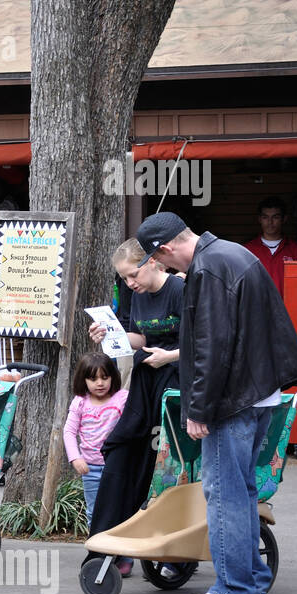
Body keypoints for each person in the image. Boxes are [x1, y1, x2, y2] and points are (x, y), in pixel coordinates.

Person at [137, 211, 297, 594]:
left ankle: (233, 592)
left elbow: (212, 347)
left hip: (233, 399)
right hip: (259, 393)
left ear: (164, 249)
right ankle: (248, 584)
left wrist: (198, 408)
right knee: (243, 491)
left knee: (225, 493)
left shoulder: (209, 269)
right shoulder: (232, 254)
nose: (168, 270)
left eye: (163, 263)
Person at [87, 239, 185, 561]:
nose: (129, 284)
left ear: (154, 262)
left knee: (167, 461)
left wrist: (169, 357)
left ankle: (171, 547)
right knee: (123, 448)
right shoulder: (139, 296)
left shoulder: (181, 290)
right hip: (147, 378)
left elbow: (205, 342)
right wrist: (110, 334)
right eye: (124, 278)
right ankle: (107, 544)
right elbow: (142, 337)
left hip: (178, 383)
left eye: (132, 276)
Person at [63, 353, 129, 552]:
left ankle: (123, 555)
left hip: (116, 467)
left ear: (113, 377)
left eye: (105, 377)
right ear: (83, 380)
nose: (100, 383)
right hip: (90, 469)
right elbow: (69, 431)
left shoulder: (122, 399)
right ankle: (98, 553)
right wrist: (75, 458)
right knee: (95, 512)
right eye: (93, 379)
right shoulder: (80, 402)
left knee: (120, 511)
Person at [242, 197, 297, 295]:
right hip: (256, 308)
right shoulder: (247, 250)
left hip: (287, 309)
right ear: (259, 219)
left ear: (284, 219)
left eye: (275, 217)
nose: (270, 222)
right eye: (265, 217)